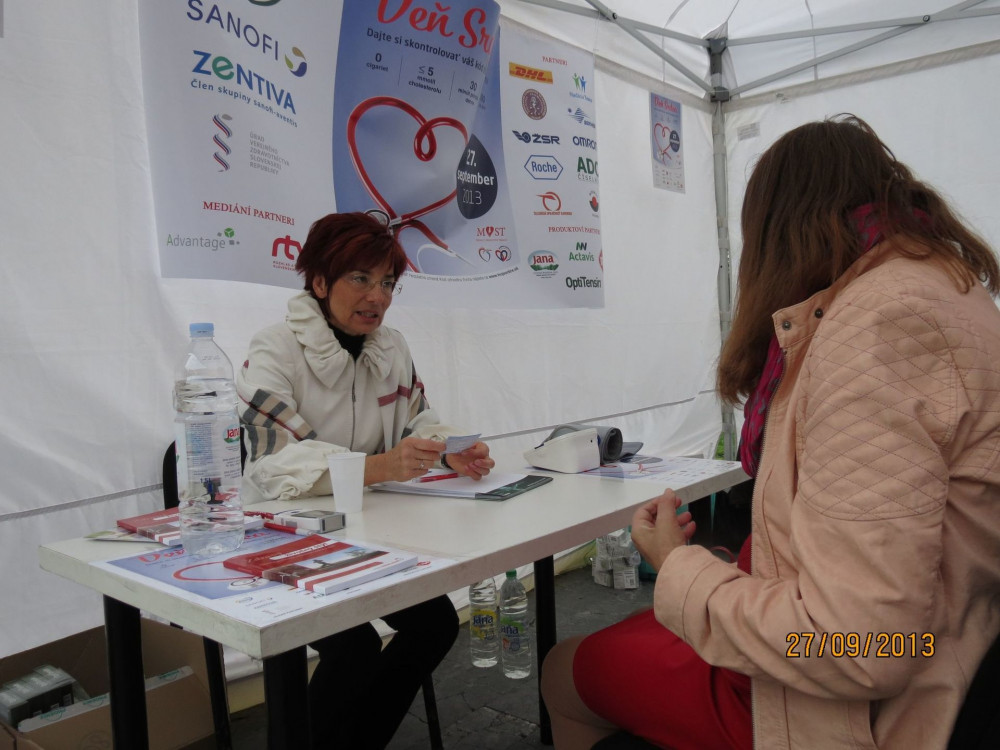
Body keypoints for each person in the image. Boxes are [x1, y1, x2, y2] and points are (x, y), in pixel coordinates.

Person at [541, 115, 1000, 750]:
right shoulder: (944, 287)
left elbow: (864, 647)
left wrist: (676, 565)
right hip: (943, 640)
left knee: (563, 670)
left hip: (859, 703)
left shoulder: (877, 326)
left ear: (778, 233)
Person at [237, 210, 494, 749]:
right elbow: (272, 460)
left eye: (388, 283)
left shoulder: (391, 347)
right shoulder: (274, 349)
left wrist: (450, 452)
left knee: (435, 624)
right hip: (280, 536)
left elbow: (417, 420)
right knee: (352, 647)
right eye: (360, 278)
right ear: (319, 281)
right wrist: (378, 467)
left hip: (366, 533)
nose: (377, 297)